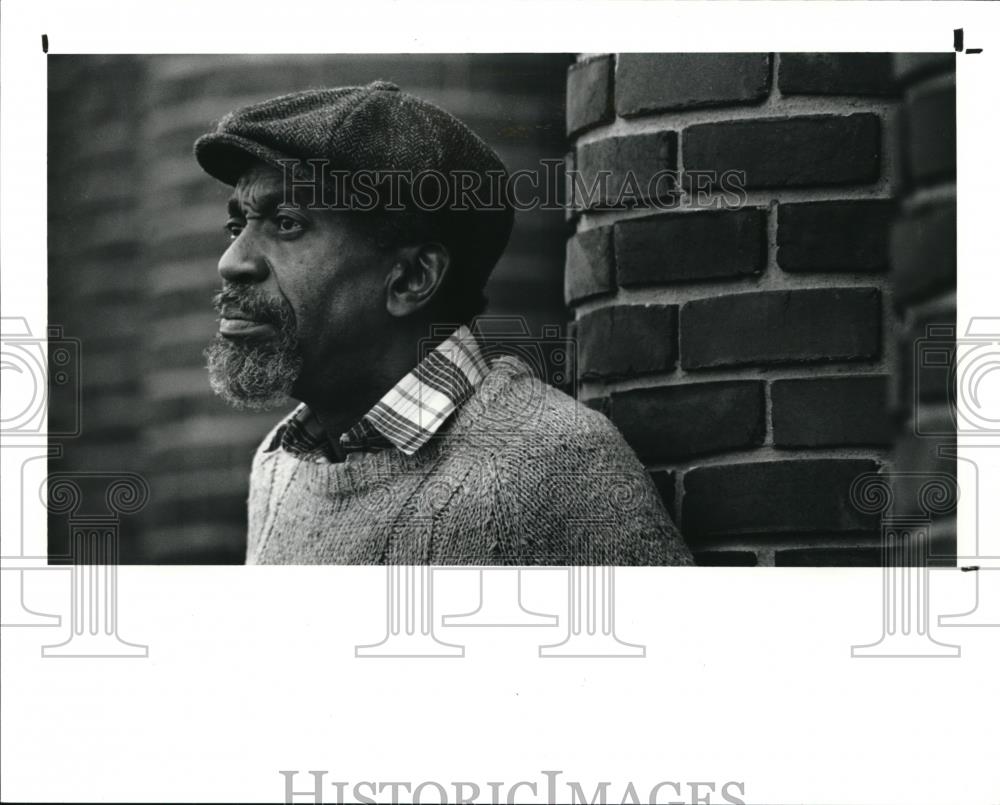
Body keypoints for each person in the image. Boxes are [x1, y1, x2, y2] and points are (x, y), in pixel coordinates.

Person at [194, 80, 693, 566]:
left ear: (411, 278)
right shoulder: (279, 464)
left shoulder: (548, 465)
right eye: (237, 226)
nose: (232, 261)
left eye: (287, 223)